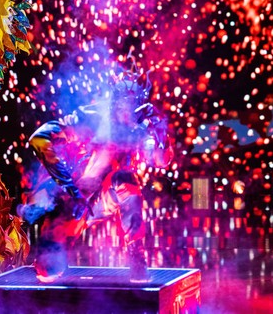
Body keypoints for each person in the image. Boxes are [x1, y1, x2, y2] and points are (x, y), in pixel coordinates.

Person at [20, 65, 173, 283]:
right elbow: (39, 139)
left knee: (127, 183)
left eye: (132, 105)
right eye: (122, 103)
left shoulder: (140, 127)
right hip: (75, 201)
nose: (126, 111)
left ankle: (137, 257)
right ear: (113, 102)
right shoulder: (90, 117)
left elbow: (161, 161)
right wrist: (70, 188)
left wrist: (160, 132)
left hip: (107, 197)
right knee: (47, 270)